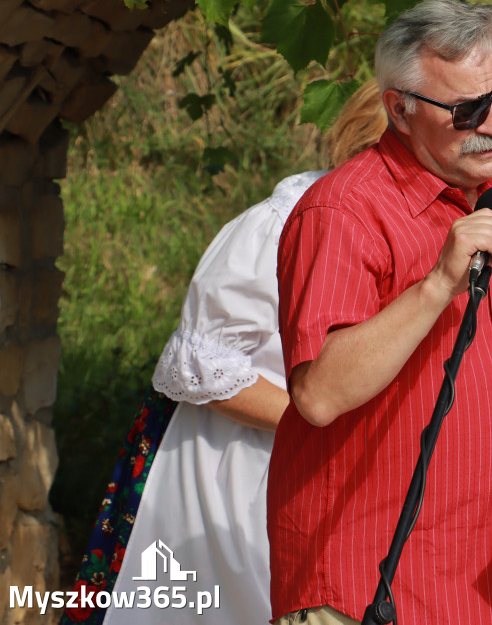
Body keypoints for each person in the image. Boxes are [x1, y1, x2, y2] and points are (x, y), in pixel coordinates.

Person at [268, 0, 492, 625]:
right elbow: (319, 394)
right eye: (466, 110)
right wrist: (437, 285)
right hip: (368, 586)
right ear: (399, 110)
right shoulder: (344, 213)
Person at [60, 80, 387, 625]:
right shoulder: (284, 225)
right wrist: (327, 427)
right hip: (233, 473)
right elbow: (204, 368)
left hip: (339, 483)